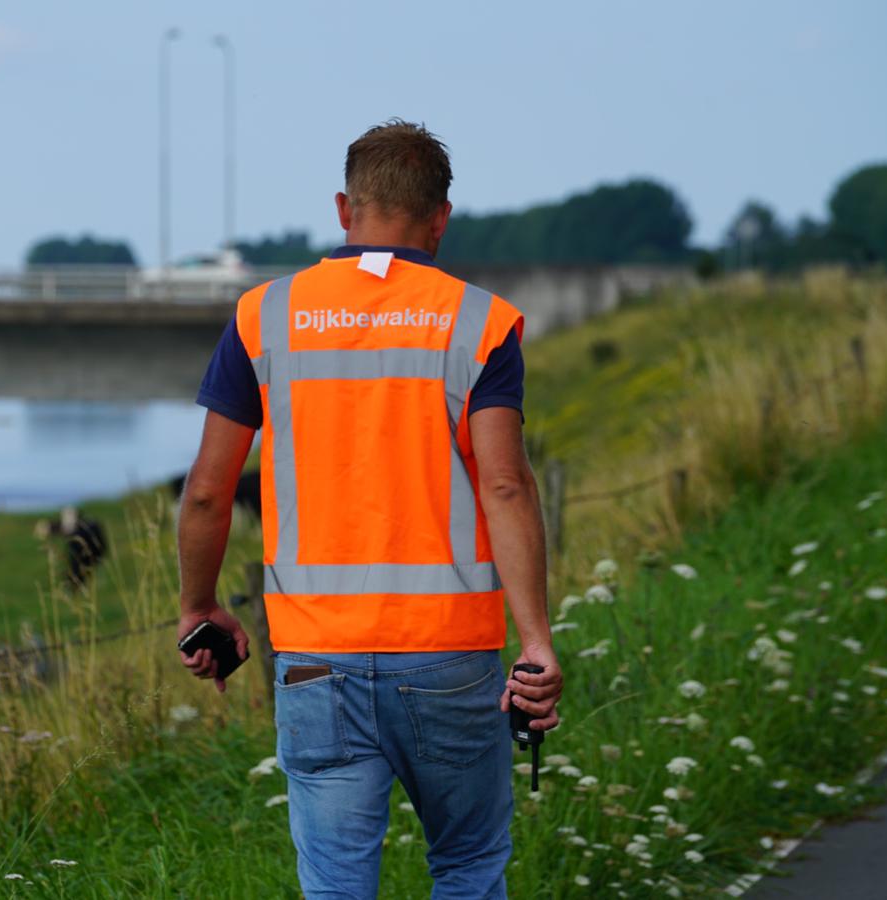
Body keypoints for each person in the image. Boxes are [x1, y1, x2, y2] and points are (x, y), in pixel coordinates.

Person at [175, 120, 563, 899]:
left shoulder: (264, 316)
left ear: (343, 208)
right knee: (467, 866)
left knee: (337, 886)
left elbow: (211, 491)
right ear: (441, 218)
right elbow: (507, 486)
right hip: (449, 658)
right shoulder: (478, 322)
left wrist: (199, 606)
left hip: (318, 659)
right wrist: (536, 643)